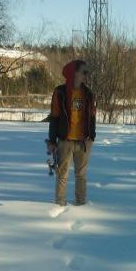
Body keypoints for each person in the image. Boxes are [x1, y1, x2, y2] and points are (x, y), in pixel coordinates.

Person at [47, 59, 96, 206]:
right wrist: (51, 140)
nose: (86, 75)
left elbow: (92, 116)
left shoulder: (88, 93)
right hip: (65, 141)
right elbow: (54, 116)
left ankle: (81, 203)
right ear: (74, 73)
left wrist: (91, 136)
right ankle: (60, 203)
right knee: (62, 175)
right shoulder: (60, 92)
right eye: (84, 72)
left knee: (81, 175)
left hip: (83, 141)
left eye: (87, 72)